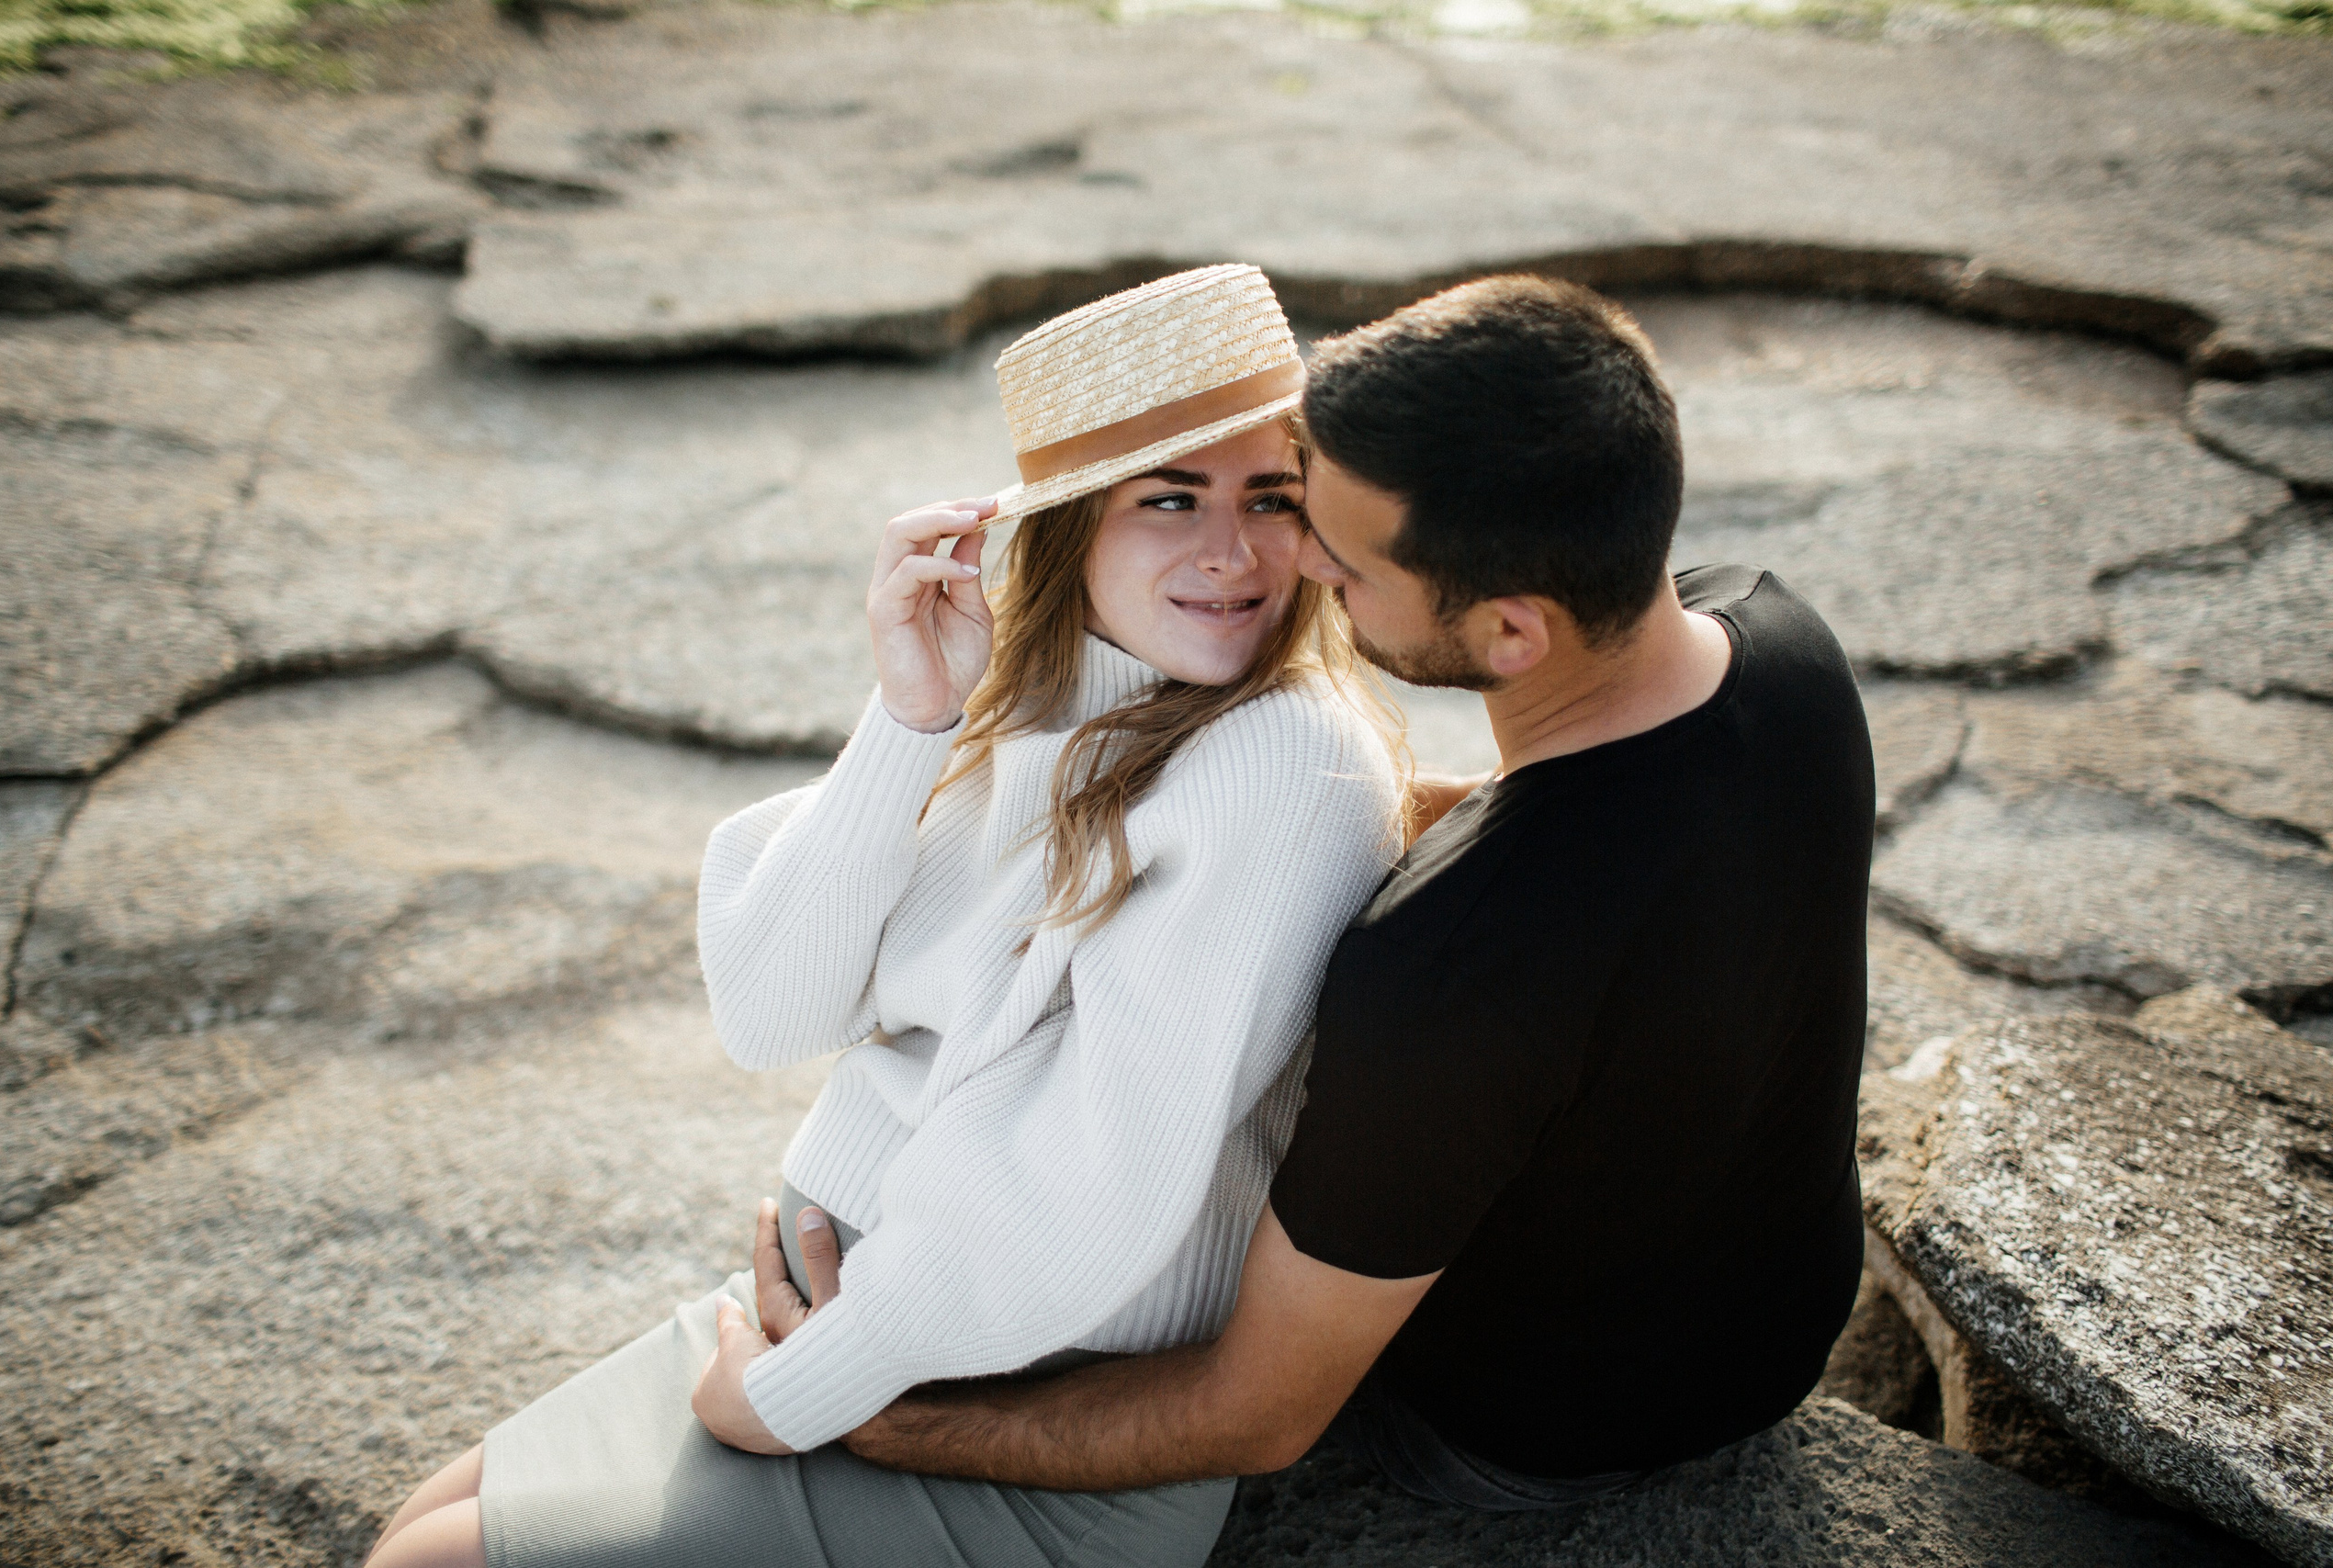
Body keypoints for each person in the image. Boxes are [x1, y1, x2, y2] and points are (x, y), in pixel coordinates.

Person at [359, 265, 1409, 1568]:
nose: (1232, 552)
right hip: (878, 1300)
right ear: (1074, 526)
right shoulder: (1032, 712)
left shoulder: (1279, 764)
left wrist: (812, 1384)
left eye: (1271, 498)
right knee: (416, 1529)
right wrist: (910, 720)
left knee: (426, 1564)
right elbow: (771, 1008)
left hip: (1026, 1384)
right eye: (1171, 500)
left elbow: (1099, 1174)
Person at [795, 274, 1877, 1507]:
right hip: (1778, 1319)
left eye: (1343, 558)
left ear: (1511, 635)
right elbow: (1595, 854)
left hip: (1532, 1429)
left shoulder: (1442, 973)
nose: (1291, 560)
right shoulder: (1772, 639)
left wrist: (888, 1422)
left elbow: (1252, 1414)